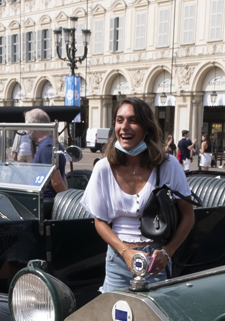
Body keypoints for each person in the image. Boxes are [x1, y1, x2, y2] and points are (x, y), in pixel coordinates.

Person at [82, 97, 195, 292]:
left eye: (133, 120)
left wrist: (167, 253)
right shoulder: (103, 168)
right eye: (120, 120)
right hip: (118, 259)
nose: (124, 126)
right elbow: (99, 221)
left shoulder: (168, 165)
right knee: (115, 318)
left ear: (147, 128)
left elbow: (188, 215)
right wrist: (125, 252)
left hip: (155, 262)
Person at [27, 109, 68, 206]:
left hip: (44, 202)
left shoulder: (47, 147)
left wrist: (66, 203)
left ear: (35, 127)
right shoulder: (52, 143)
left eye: (27, 126)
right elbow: (63, 176)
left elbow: (57, 182)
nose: (27, 131)